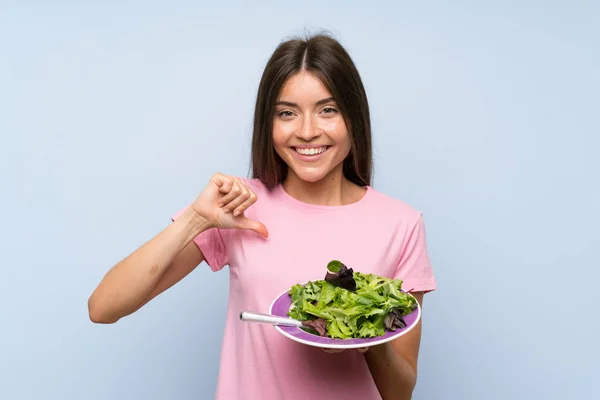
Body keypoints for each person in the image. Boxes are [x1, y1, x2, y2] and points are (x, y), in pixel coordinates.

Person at [88, 32, 436, 400]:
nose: (306, 131)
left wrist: (368, 332)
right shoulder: (239, 206)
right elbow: (104, 307)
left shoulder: (402, 224)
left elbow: (400, 392)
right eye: (287, 113)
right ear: (268, 124)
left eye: (327, 110)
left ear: (353, 116)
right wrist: (196, 219)